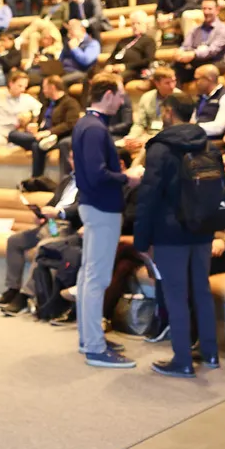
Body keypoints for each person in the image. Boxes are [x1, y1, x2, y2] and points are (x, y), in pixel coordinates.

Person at [132, 91, 219, 378]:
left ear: (168, 111)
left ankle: (182, 359)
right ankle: (210, 354)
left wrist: (141, 239)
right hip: (203, 228)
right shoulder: (207, 144)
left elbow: (148, 195)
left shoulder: (160, 148)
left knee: (176, 295)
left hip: (171, 233)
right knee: (201, 291)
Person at [72, 73, 141, 368]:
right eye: (121, 95)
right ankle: (95, 348)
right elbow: (98, 174)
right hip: (102, 209)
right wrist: (129, 177)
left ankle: (89, 338)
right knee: (96, 278)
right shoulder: (94, 128)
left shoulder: (88, 124)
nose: (123, 100)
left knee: (89, 275)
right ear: (109, 94)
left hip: (95, 207)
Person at [0, 149, 81, 314]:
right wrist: (41, 214)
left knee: (43, 246)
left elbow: (81, 208)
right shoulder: (67, 180)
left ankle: (25, 295)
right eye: (71, 158)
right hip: (52, 224)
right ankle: (12, 288)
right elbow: (53, 202)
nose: (73, 161)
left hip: (69, 226)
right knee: (15, 241)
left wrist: (59, 212)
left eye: (77, 158)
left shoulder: (91, 182)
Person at [10, 75, 82, 180]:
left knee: (36, 145)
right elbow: (40, 123)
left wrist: (49, 132)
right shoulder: (47, 104)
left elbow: (70, 124)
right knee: (13, 135)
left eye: (44, 87)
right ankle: (39, 144)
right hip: (40, 136)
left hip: (57, 137)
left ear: (52, 87)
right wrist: (33, 127)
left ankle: (36, 179)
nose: (43, 91)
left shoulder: (70, 103)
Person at [125, 67, 178, 155]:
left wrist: (150, 139)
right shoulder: (147, 97)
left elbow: (178, 128)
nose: (172, 86)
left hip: (169, 137)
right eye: (167, 83)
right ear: (157, 83)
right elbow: (140, 123)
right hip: (148, 135)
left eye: (174, 81)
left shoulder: (180, 98)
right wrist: (132, 137)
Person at [101, 11, 156, 83]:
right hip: (115, 69)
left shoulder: (149, 41)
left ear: (145, 25)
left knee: (115, 79)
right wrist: (108, 65)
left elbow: (147, 61)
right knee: (97, 78)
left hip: (134, 70)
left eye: (138, 23)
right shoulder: (123, 40)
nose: (135, 26)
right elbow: (112, 57)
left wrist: (125, 66)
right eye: (133, 23)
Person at [191, 64, 225, 139]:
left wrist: (194, 128)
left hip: (213, 140)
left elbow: (219, 128)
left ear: (209, 79)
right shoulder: (201, 97)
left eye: (197, 79)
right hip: (197, 137)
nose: (195, 83)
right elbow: (193, 121)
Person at [58, 19, 100, 87]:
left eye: (72, 29)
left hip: (81, 73)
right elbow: (60, 60)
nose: (69, 32)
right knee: (47, 79)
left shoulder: (92, 43)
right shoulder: (68, 43)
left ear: (82, 30)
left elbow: (85, 60)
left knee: (59, 82)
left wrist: (74, 49)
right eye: (69, 30)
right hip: (64, 71)